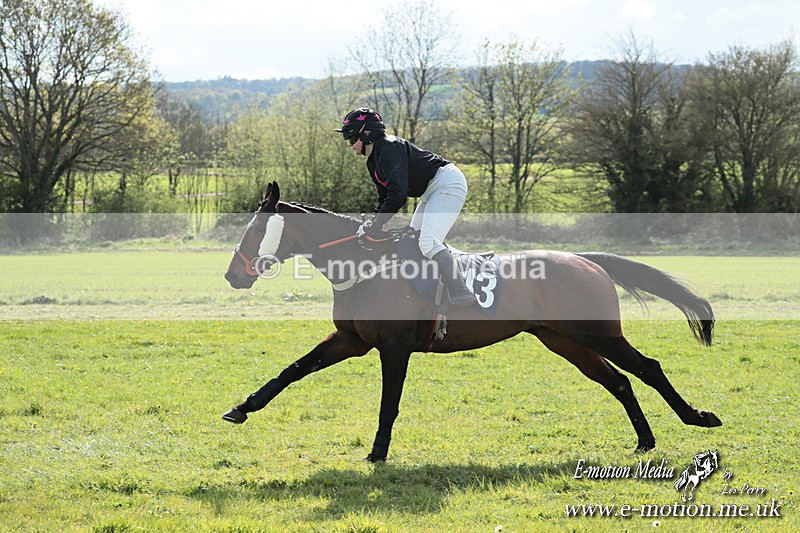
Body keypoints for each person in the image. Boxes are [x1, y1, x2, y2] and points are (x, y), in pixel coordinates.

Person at [335, 107, 475, 307]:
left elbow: (398, 196)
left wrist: (375, 223)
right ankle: (434, 291)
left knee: (428, 243)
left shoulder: (389, 149)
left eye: (351, 140)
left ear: (367, 134)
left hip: (447, 183)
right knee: (415, 239)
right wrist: (373, 222)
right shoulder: (373, 161)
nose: (350, 145)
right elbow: (385, 197)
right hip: (431, 190)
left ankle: (462, 292)